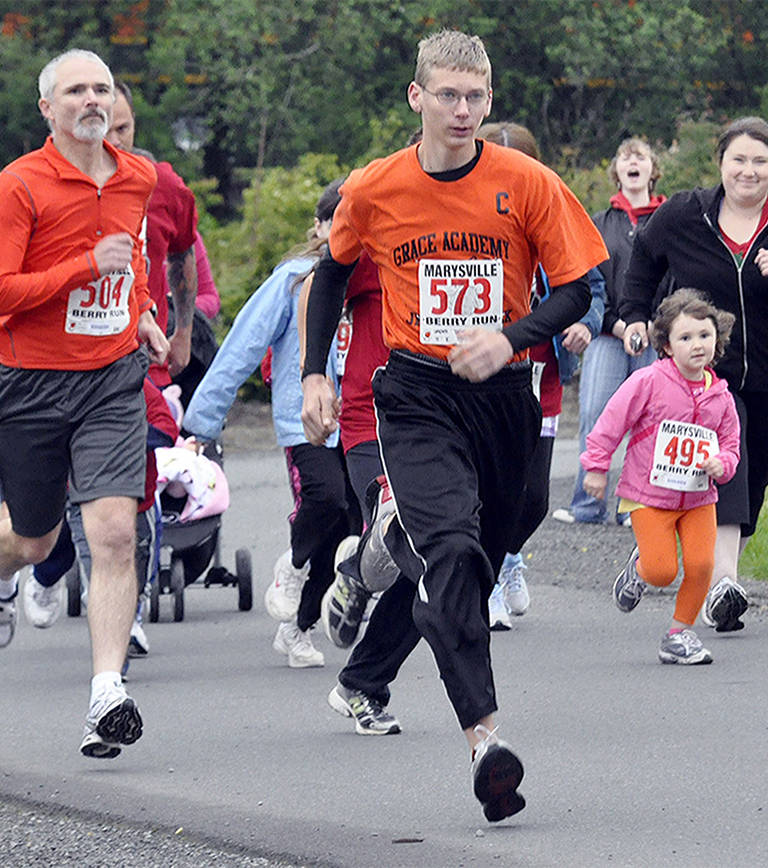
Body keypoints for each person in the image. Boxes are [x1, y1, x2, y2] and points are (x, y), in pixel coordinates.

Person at [301, 30, 607, 821]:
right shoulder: (375, 188)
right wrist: (313, 374)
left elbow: (578, 287)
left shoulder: (526, 182)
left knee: (493, 541)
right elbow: (331, 271)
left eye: (477, 96)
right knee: (452, 555)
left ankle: (373, 567)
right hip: (417, 394)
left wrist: (511, 336)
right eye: (449, 95)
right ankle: (486, 740)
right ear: (418, 97)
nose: (464, 110)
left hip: (503, 393)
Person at [0, 49, 168, 759]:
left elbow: (134, 256)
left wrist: (140, 309)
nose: (92, 99)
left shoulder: (139, 175)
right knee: (35, 540)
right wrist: (87, 268)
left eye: (102, 88)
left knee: (116, 532)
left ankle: (106, 693)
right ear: (47, 108)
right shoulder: (19, 185)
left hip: (113, 377)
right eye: (75, 90)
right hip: (34, 383)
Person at [620, 116, 768, 632]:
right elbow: (644, 260)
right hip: (704, 375)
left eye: (760, 161)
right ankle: (723, 584)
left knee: (753, 477)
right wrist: (633, 315)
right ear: (721, 163)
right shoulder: (684, 214)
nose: (748, 171)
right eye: (738, 159)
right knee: (724, 469)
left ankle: (671, 559)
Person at [181, 180, 358, 669]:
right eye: (335, 223)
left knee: (350, 525)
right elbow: (241, 348)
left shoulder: (372, 278)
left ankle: (297, 627)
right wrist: (203, 422)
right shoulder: (294, 279)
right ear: (320, 226)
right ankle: (294, 565)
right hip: (303, 421)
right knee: (324, 498)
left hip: (363, 422)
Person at [474, 122, 605, 631]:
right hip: (480, 379)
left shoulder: (553, 213)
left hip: (540, 377)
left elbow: (591, 285)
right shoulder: (465, 218)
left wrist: (583, 324)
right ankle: (482, 586)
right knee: (488, 490)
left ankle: (509, 557)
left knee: (532, 500)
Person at [585, 289, 741, 664]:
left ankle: (678, 635)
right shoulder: (649, 382)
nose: (697, 345)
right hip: (648, 495)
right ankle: (638, 571)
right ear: (667, 345)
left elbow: (731, 445)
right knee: (661, 570)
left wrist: (723, 463)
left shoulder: (721, 396)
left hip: (699, 497)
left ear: (717, 340)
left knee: (702, 565)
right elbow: (611, 421)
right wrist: (596, 465)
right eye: (685, 338)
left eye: (705, 336)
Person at [553, 137, 666, 527]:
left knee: (650, 421)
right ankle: (587, 505)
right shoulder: (597, 223)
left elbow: (676, 280)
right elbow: (589, 284)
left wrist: (654, 326)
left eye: (641, 157)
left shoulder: (671, 221)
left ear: (653, 170)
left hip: (658, 335)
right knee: (594, 414)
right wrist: (617, 325)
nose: (633, 163)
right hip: (607, 334)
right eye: (625, 158)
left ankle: (636, 507)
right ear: (616, 171)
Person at [105, 80, 198, 387]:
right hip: (75, 357)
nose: (115, 141)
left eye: (123, 129)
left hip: (145, 354)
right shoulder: (52, 185)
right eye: (105, 129)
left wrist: (184, 331)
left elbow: (183, 252)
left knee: (157, 432)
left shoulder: (163, 184)